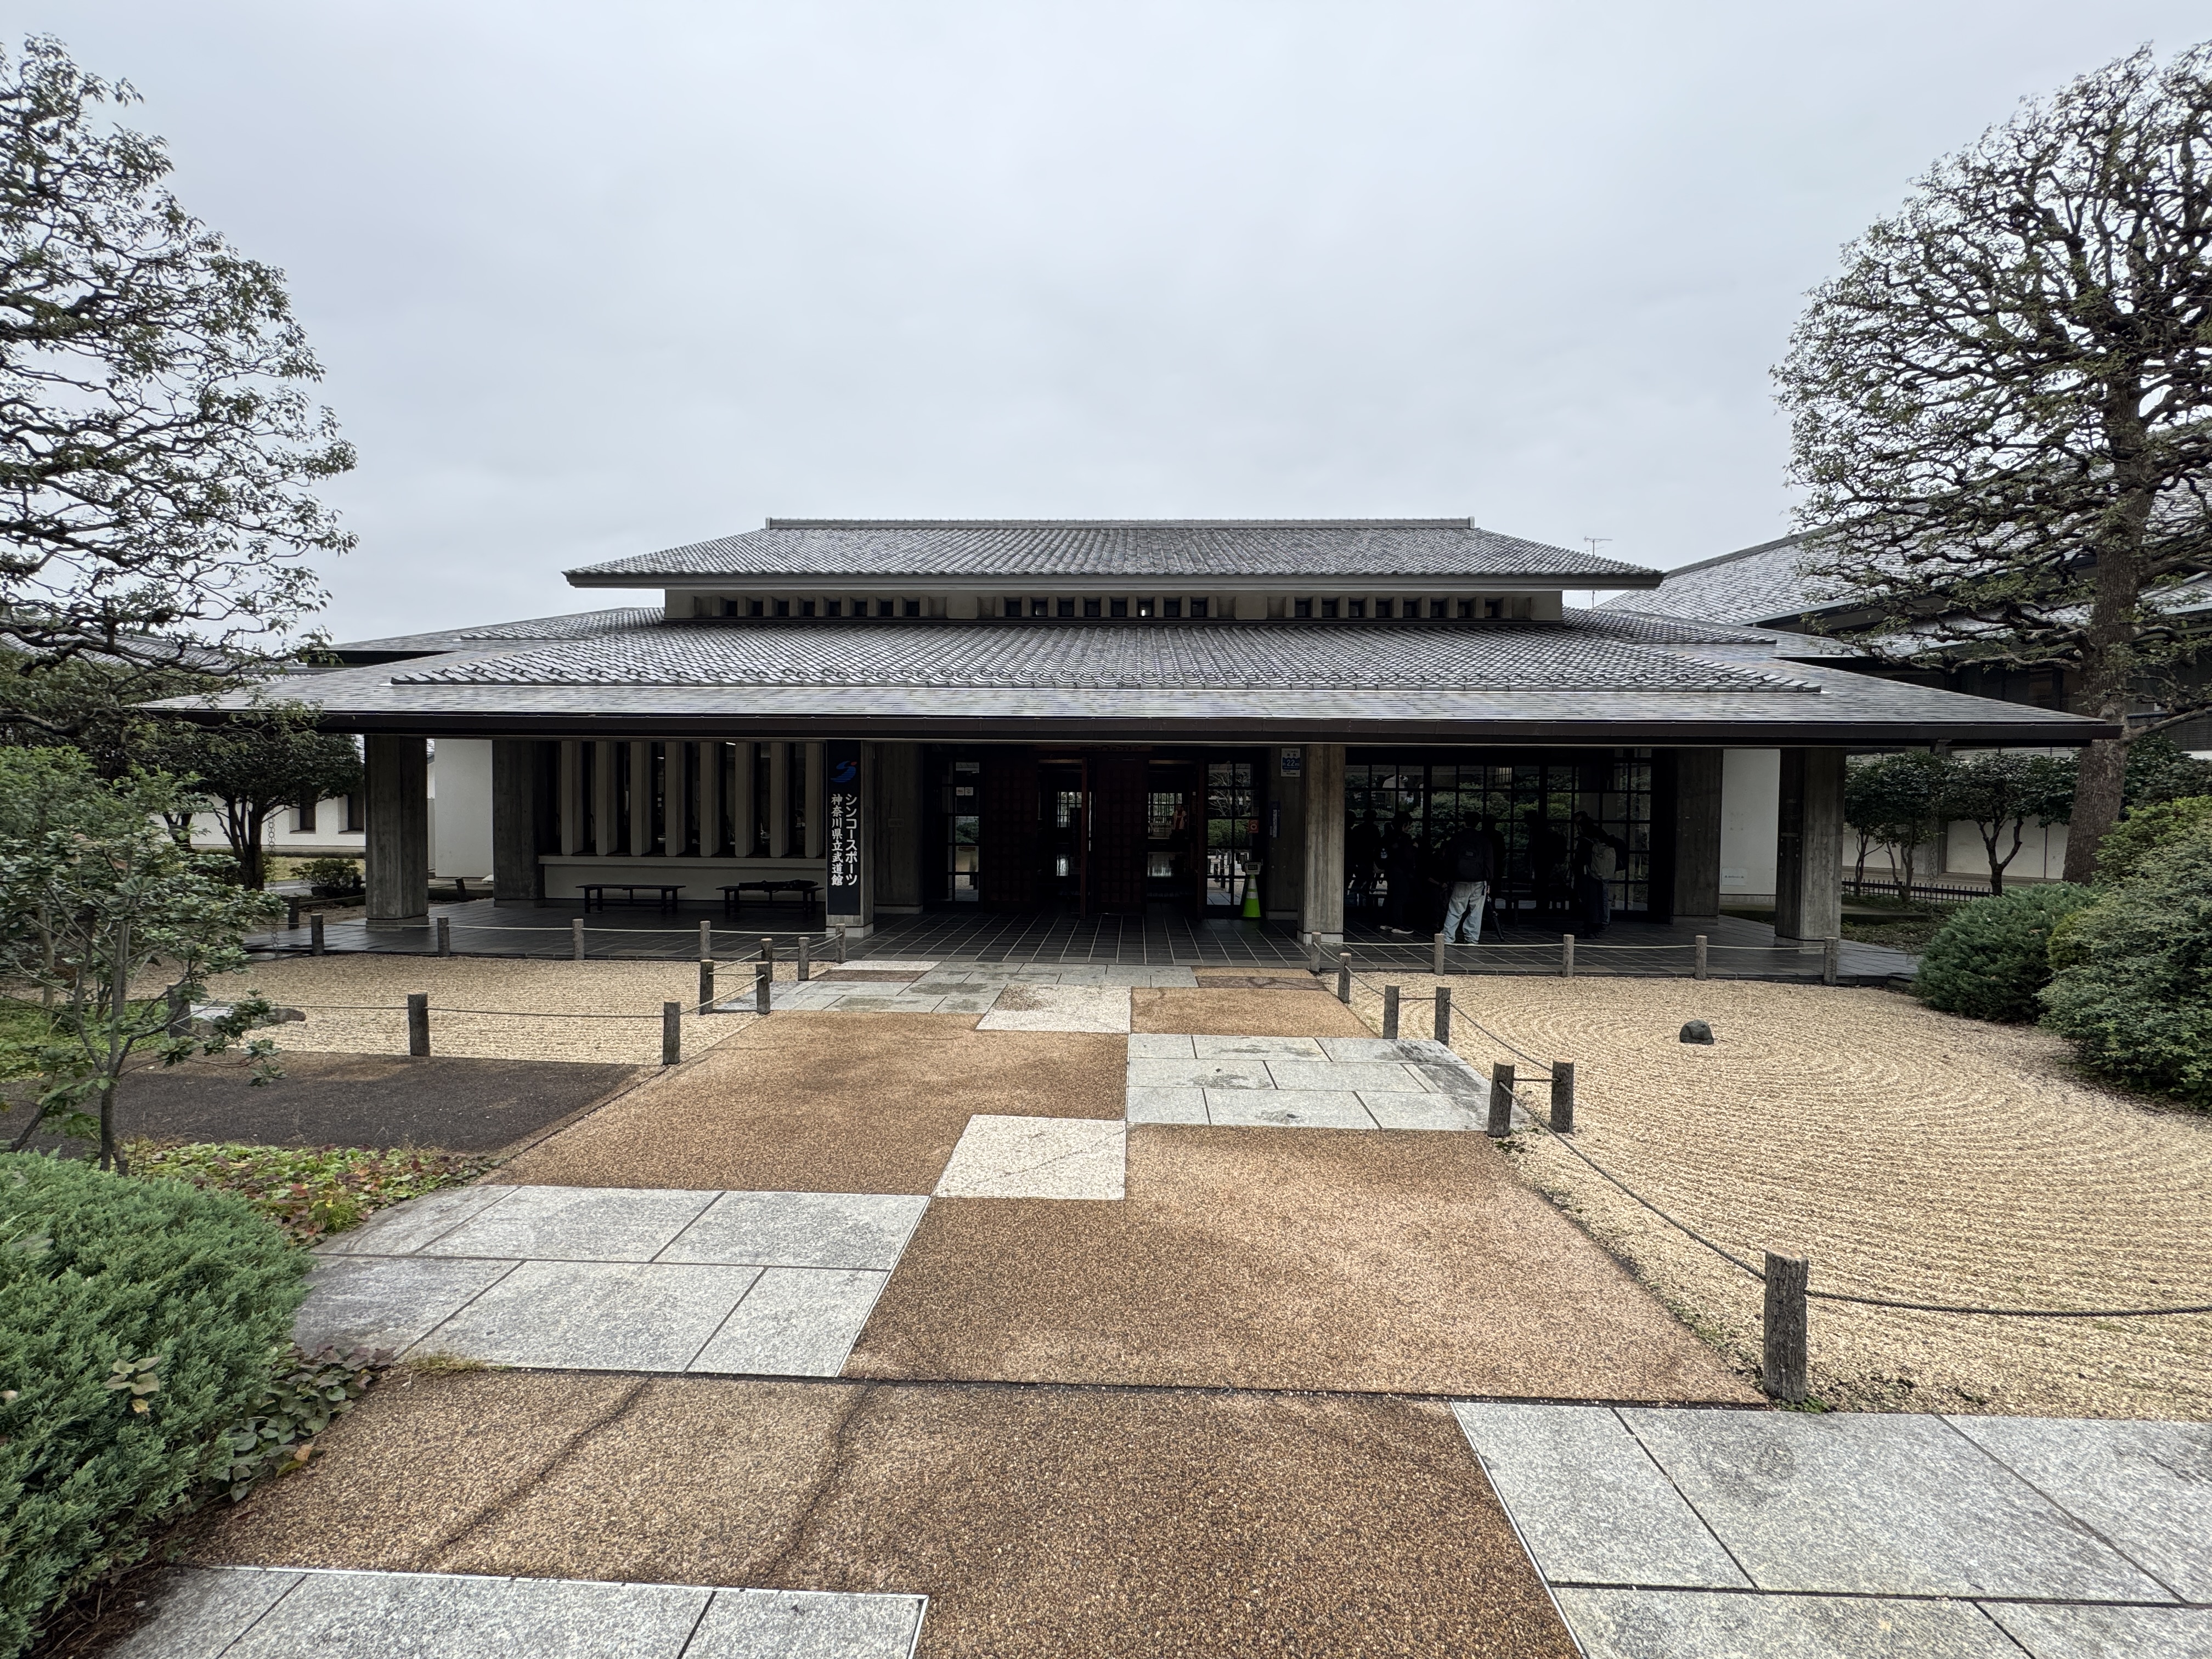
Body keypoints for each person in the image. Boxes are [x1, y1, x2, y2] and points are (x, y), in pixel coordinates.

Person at [1438, 817, 1496, 944]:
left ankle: (1448, 937)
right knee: (1476, 910)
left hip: (1460, 879)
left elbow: (1448, 859)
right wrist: (1489, 881)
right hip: (1479, 880)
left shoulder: (1457, 838)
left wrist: (1448, 878)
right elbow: (1489, 862)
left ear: (1464, 822)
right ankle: (1472, 938)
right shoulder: (1484, 840)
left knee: (1455, 909)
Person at [1571, 812, 1624, 935]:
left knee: (1593, 900)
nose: (1577, 826)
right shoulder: (1599, 835)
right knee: (1600, 899)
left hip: (1590, 873)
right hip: (1599, 872)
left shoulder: (1587, 839)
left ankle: (1598, 923)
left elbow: (1583, 857)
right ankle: (1601, 923)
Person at [1378, 814, 1420, 933]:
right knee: (1400, 898)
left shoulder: (1388, 836)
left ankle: (1384, 922)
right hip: (1402, 872)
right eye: (1409, 825)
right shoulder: (1406, 838)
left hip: (1390, 870)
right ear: (1404, 825)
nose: (1410, 828)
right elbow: (1407, 856)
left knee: (1390, 895)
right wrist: (1415, 848)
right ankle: (1397, 925)